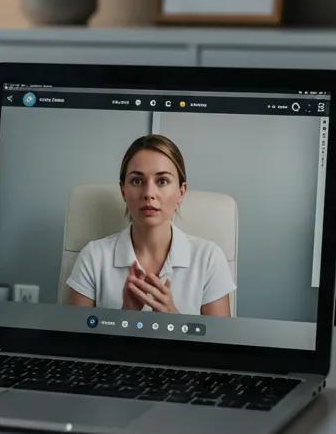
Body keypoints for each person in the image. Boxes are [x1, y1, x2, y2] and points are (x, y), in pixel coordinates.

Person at [66, 135, 235, 317]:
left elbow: (218, 345)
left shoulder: (209, 258)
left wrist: (174, 320)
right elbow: (73, 344)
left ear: (181, 191)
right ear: (123, 191)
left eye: (162, 181)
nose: (148, 193)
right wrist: (125, 315)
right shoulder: (93, 257)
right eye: (137, 181)